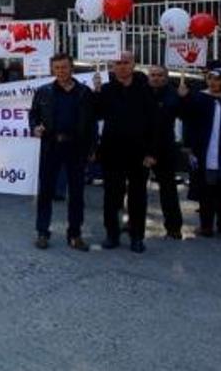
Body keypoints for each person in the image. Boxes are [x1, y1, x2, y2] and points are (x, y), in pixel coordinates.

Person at [92, 51, 159, 253]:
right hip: (112, 151)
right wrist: (96, 93)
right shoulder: (105, 89)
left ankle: (137, 236)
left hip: (139, 153)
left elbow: (155, 124)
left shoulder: (146, 90)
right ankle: (112, 234)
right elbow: (96, 115)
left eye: (126, 62)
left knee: (138, 197)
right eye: (118, 63)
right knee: (112, 196)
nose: (121, 66)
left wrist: (152, 153)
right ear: (112, 66)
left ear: (133, 65)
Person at [29, 53, 96, 252]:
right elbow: (33, 115)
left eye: (64, 67)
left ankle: (75, 234)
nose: (60, 71)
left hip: (76, 148)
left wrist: (92, 148)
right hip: (51, 147)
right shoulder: (43, 91)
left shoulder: (84, 92)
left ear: (71, 68)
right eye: (57, 68)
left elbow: (92, 123)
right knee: (45, 192)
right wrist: (35, 127)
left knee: (76, 194)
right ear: (52, 69)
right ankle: (42, 232)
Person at [182, 64, 221, 238]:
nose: (213, 82)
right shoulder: (199, 97)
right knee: (206, 189)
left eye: (217, 79)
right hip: (204, 149)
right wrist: (188, 145)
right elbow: (189, 121)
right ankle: (206, 225)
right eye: (210, 79)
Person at [146, 65, 184, 239]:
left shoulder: (173, 95)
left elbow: (182, 113)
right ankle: (132, 222)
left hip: (164, 148)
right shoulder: (142, 92)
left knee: (168, 189)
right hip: (143, 146)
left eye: (160, 75)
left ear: (166, 77)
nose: (156, 78)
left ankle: (174, 227)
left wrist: (185, 98)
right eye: (153, 75)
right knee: (135, 187)